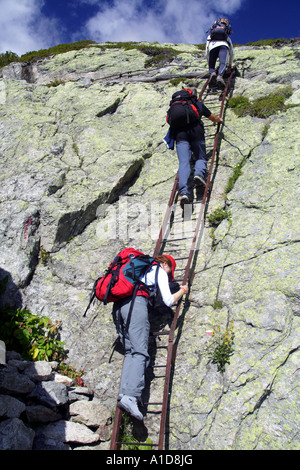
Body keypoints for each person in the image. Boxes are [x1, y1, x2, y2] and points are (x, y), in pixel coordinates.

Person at [113, 254, 187, 421]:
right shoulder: (158, 270)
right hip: (136, 304)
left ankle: (124, 392)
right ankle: (130, 396)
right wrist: (182, 290)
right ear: (166, 264)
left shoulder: (141, 270)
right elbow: (168, 300)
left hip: (120, 307)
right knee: (140, 352)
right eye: (170, 272)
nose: (168, 275)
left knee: (131, 351)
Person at [172, 87, 223, 207]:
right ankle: (199, 174)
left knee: (184, 163)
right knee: (200, 156)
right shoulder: (198, 105)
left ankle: (184, 193)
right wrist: (219, 120)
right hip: (196, 132)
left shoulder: (176, 107)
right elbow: (213, 118)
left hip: (180, 135)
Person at [206, 18, 234, 90]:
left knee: (212, 66)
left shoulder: (210, 36)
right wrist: (229, 65)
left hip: (212, 46)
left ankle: (212, 73)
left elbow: (207, 50)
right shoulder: (227, 38)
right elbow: (232, 53)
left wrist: (209, 65)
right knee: (222, 63)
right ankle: (220, 76)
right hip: (224, 46)